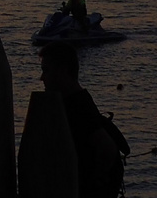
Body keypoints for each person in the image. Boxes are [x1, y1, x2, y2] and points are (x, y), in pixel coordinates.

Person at [39, 43, 128, 198]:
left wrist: (91, 183)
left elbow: (107, 148)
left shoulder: (78, 106)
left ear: (63, 70)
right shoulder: (73, 101)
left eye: (46, 70)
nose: (42, 78)